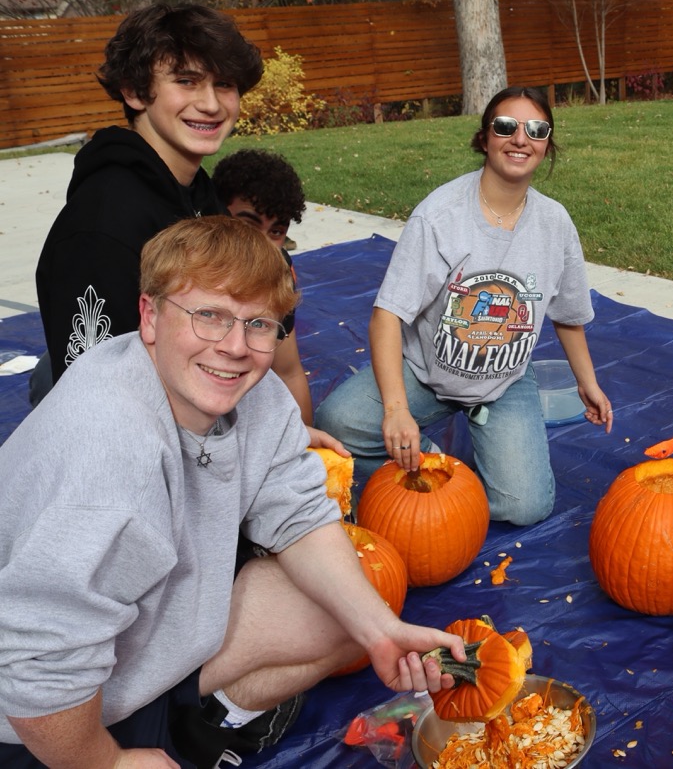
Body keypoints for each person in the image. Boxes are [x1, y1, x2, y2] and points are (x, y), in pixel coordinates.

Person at [0, 217, 465, 769]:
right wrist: (105, 762)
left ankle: (198, 724)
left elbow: (299, 515)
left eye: (259, 324)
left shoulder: (254, 394)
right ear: (150, 315)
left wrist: (383, 632)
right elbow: (38, 669)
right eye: (209, 316)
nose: (235, 347)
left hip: (142, 640)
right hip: (36, 720)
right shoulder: (111, 458)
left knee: (354, 615)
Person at [315, 85, 612, 525]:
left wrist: (588, 382)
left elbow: (568, 316)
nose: (520, 138)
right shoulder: (440, 215)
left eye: (536, 129)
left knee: (526, 506)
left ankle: (452, 471)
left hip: (503, 382)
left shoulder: (555, 224)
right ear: (484, 137)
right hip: (424, 372)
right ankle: (433, 458)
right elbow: (387, 315)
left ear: (547, 145)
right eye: (506, 126)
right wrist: (396, 410)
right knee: (336, 422)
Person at [31, 3, 262, 408]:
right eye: (187, 81)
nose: (211, 104)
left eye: (224, 84)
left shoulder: (198, 192)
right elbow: (96, 394)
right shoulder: (102, 224)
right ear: (134, 91)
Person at [212, 148, 315, 423]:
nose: (261, 244)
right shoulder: (186, 268)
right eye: (248, 225)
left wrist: (305, 442)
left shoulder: (279, 272)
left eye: (276, 232)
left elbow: (289, 372)